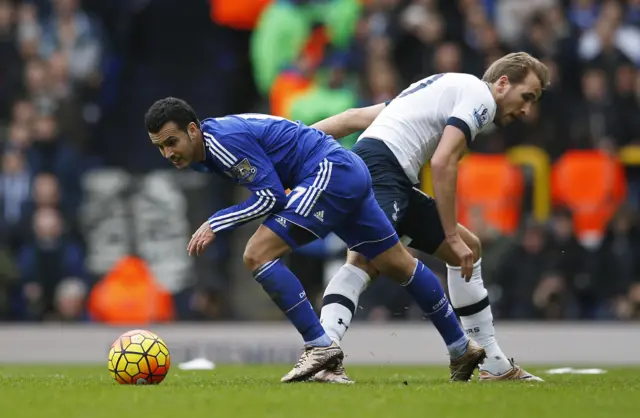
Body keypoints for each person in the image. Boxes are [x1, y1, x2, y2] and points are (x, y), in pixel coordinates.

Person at [144, 99, 486, 383]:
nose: (167, 153)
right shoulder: (212, 145)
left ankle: (320, 347)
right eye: (159, 147)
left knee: (256, 254)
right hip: (344, 170)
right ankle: (461, 347)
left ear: (193, 130)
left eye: (171, 142)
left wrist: (215, 222)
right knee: (398, 264)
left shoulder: (221, 141)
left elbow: (270, 197)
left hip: (328, 171)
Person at [310, 52, 548, 383]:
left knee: (468, 247)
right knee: (364, 259)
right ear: (503, 83)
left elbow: (351, 118)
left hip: (389, 173)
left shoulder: (440, 88)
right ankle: (322, 356)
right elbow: (442, 162)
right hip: (382, 169)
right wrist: (449, 234)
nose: (526, 109)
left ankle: (493, 363)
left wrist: (296, 143)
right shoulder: (480, 97)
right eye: (527, 97)